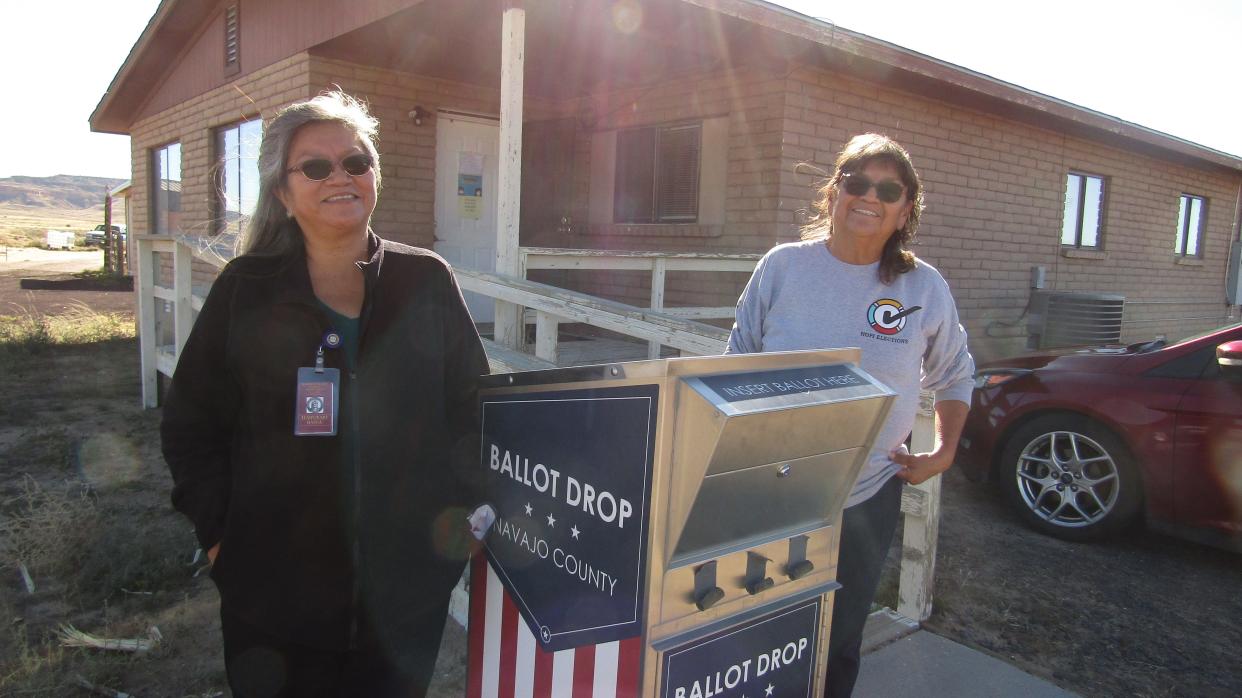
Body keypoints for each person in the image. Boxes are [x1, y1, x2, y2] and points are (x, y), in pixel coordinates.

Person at [160, 91, 490, 697]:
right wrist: (219, 542)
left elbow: (474, 408)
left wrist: (460, 527)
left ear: (374, 177)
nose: (340, 176)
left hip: (404, 599)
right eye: (315, 166)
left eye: (356, 162)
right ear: (283, 194)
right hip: (273, 603)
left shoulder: (426, 282)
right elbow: (191, 425)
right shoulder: (246, 291)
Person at [727, 133, 975, 697]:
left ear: (906, 208)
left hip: (864, 497)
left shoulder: (923, 287)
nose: (870, 197)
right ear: (834, 191)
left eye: (888, 189)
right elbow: (735, 363)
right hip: (768, 487)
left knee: (837, 641)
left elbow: (955, 373)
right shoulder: (783, 268)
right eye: (857, 183)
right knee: (754, 631)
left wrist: (945, 449)